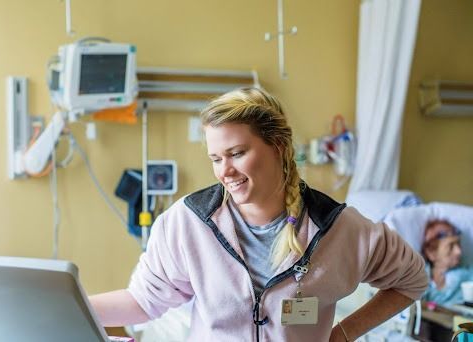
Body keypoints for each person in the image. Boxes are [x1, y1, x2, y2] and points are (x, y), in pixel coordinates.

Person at [90, 87, 428, 341]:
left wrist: (341, 335)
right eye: (215, 158)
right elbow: (144, 301)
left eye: (236, 153)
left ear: (278, 146)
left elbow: (412, 280)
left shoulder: (340, 228)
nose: (225, 171)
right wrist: (66, 305)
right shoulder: (188, 222)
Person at [422, 220, 473, 307]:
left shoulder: (468, 274)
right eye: (451, 246)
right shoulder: (419, 277)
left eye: (459, 244)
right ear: (431, 253)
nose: (459, 252)